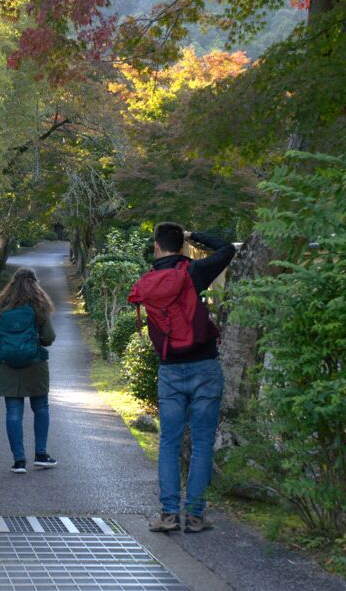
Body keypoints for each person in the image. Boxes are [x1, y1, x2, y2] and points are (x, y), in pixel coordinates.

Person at [134, 223, 235, 533]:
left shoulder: (148, 281)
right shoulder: (194, 272)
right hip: (204, 366)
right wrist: (194, 235)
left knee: (168, 442)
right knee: (203, 443)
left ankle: (167, 514)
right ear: (180, 247)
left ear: (156, 247)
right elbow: (227, 249)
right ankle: (193, 516)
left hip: (170, 370)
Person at [0, 267, 57, 473]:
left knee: (13, 413)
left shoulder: (2, 309)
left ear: (12, 284)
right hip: (35, 366)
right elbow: (49, 337)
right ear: (35, 284)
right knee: (41, 408)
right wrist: (34, 341)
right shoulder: (39, 307)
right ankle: (41, 454)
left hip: (8, 367)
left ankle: (19, 461)